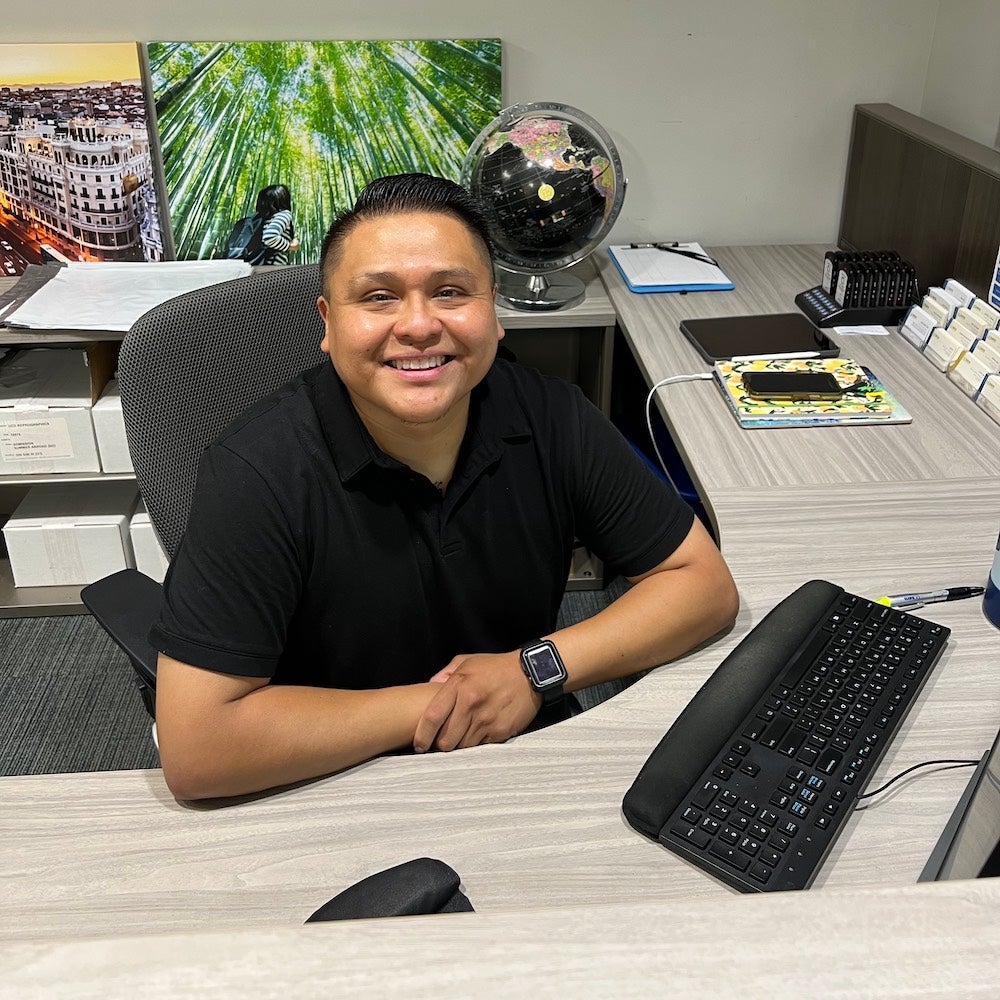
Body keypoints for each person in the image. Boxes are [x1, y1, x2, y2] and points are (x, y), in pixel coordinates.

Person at [152, 173, 739, 800]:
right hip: (325, 773)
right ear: (327, 323)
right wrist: (442, 705)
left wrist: (534, 669)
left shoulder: (552, 418)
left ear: (495, 311)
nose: (418, 325)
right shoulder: (257, 472)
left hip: (513, 751)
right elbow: (198, 747)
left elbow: (702, 585)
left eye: (450, 291)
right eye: (378, 297)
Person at [255, 183, 299, 264]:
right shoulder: (283, 214)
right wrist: (291, 246)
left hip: (254, 264)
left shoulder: (257, 219)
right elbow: (270, 237)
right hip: (270, 268)